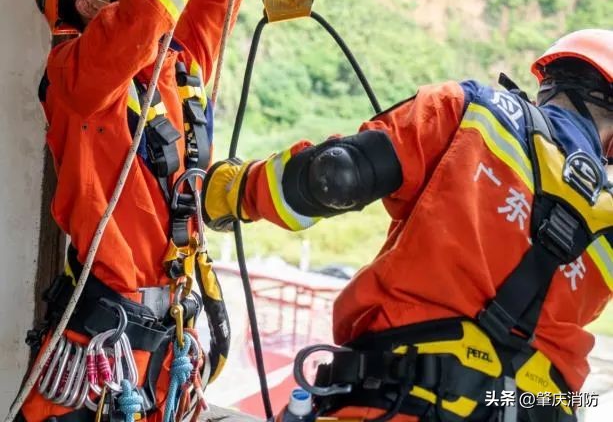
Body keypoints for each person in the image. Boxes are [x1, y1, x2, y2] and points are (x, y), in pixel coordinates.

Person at [203, 29, 613, 422]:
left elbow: (335, 177)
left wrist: (234, 192)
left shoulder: (474, 110)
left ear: (549, 84)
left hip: (404, 400)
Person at [23, 0, 265, 422]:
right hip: (102, 354)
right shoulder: (76, 78)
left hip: (169, 343)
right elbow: (144, 14)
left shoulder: (177, 66)